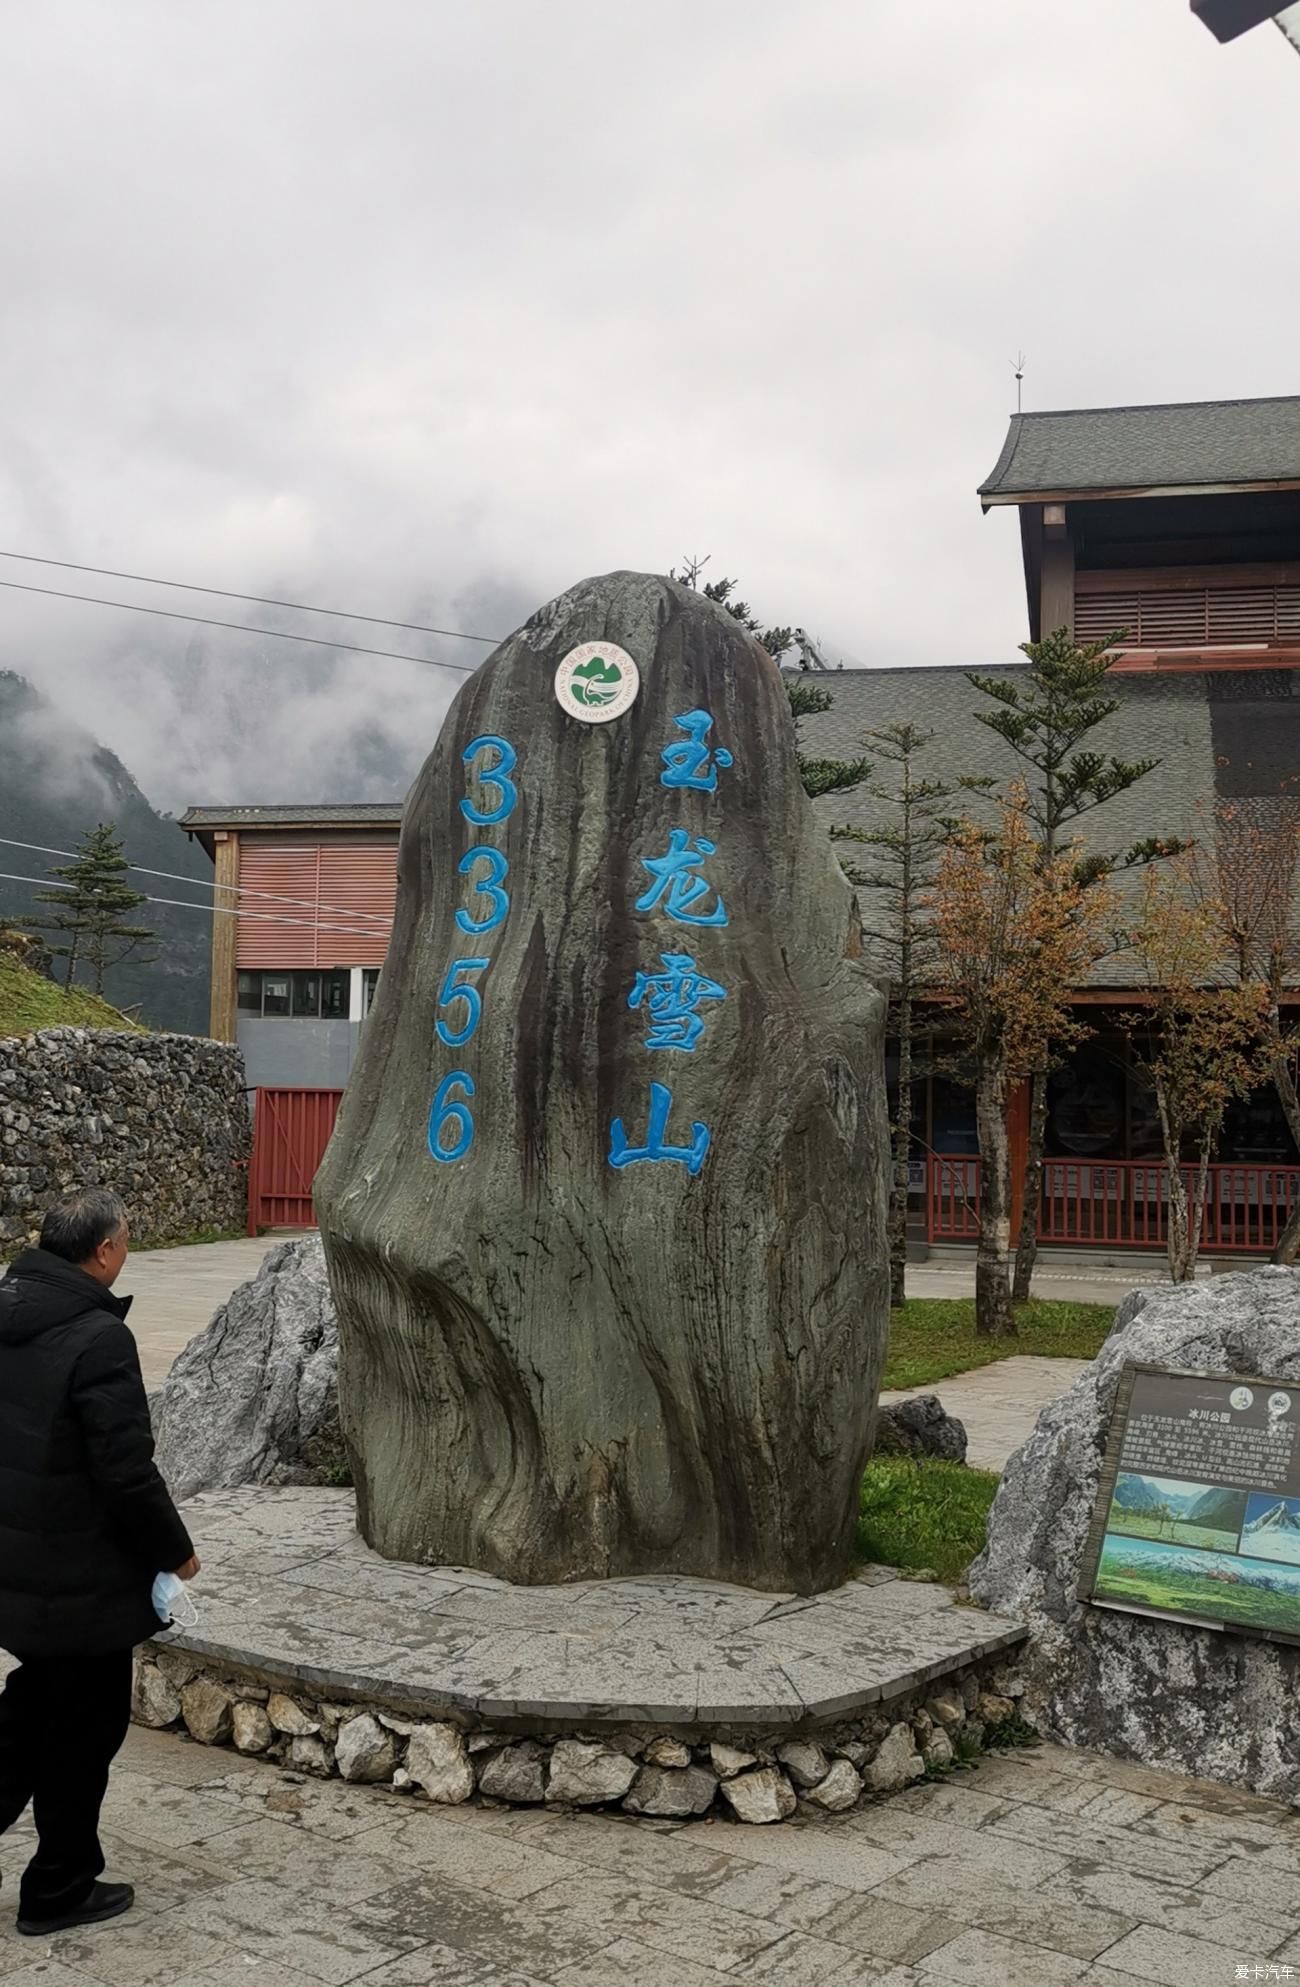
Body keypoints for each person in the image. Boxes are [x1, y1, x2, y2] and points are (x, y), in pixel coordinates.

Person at [0, 1188, 199, 1935]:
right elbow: (125, 1470)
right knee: (82, 1733)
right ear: (105, 1251)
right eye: (127, 1242)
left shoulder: (9, 1308)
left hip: (20, 1568)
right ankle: (58, 1888)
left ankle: (61, 1876)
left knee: (31, 1711)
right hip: (79, 1583)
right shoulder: (96, 1337)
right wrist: (175, 1552)